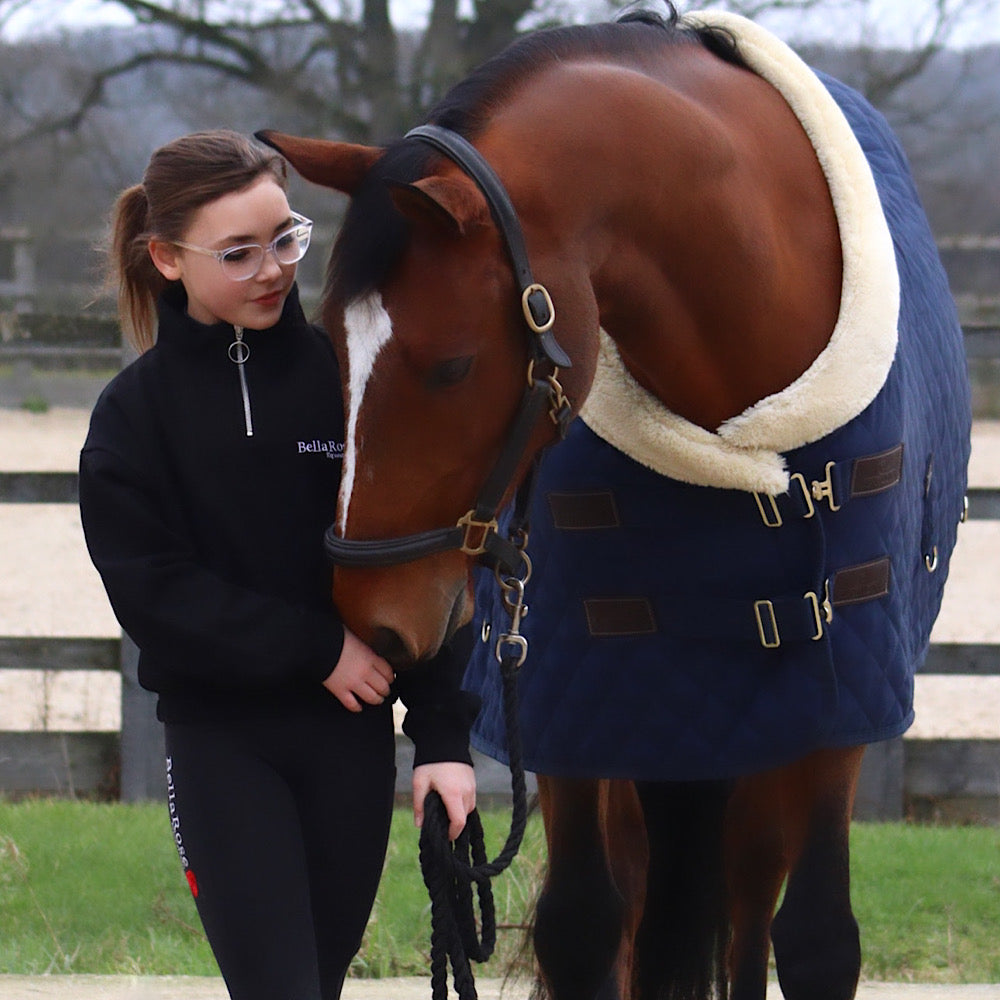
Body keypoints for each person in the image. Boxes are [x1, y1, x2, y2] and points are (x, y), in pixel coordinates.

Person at [78, 130, 479, 1000]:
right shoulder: (131, 419)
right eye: (239, 253)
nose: (272, 269)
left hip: (350, 745)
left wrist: (444, 738)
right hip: (221, 743)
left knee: (318, 986)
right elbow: (154, 595)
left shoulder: (349, 379)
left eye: (285, 239)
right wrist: (316, 649)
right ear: (166, 258)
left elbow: (420, 551)